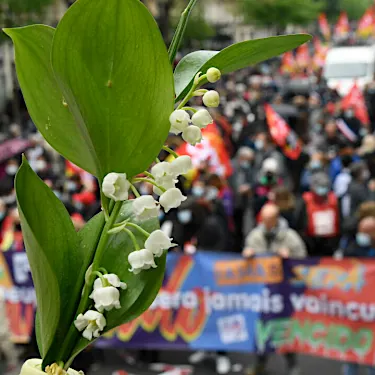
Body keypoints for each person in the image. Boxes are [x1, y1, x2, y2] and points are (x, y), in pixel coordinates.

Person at [242, 204, 306, 375]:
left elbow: (303, 260)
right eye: (263, 219)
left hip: (283, 292)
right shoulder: (255, 235)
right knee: (262, 329)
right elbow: (247, 254)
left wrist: (290, 256)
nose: (265, 222)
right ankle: (260, 363)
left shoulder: (290, 237)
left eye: (269, 219)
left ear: (276, 219)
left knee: (283, 328)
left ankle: (292, 364)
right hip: (263, 292)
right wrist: (247, 254)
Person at [295, 172, 340, 256]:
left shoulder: (334, 200)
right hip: (311, 242)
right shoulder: (304, 200)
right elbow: (299, 221)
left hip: (329, 242)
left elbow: (340, 220)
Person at [230, 147, 255, 249]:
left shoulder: (249, 169)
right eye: (247, 159)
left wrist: (250, 187)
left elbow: (254, 181)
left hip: (245, 203)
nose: (249, 162)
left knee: (244, 229)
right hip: (232, 203)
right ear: (241, 157)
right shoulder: (231, 166)